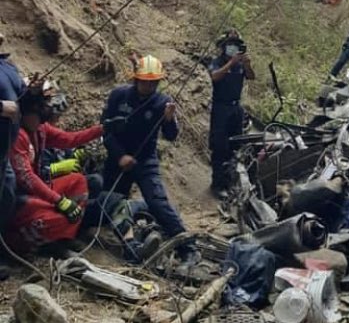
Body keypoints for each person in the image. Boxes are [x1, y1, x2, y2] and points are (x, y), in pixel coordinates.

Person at [101, 54, 195, 260]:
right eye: (145, 82)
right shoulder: (119, 95)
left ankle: (188, 247)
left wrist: (169, 120)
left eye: (153, 83)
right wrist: (120, 156)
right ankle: (131, 246)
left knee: (157, 201)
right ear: (136, 79)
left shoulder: (163, 102)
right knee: (111, 204)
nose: (149, 87)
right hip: (117, 160)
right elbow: (105, 131)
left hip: (145, 160)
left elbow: (171, 136)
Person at [6, 84, 102, 253]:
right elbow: (26, 177)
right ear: (26, 112)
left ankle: (62, 238)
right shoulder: (16, 134)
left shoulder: (40, 128)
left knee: (78, 181)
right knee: (55, 217)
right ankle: (19, 245)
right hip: (18, 197)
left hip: (34, 190)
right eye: (40, 110)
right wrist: (59, 201)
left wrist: (102, 130)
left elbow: (70, 139)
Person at [208, 30, 255, 196]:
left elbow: (251, 76)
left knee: (235, 146)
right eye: (230, 45)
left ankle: (230, 183)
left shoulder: (241, 64)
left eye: (236, 46)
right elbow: (214, 77)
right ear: (223, 47)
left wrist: (246, 64)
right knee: (220, 146)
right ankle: (217, 185)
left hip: (236, 108)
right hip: (221, 108)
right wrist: (230, 63)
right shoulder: (217, 62)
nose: (233, 49)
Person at [0, 36, 25, 274]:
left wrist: (34, 89)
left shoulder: (8, 67)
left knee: (6, 194)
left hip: (4, 150)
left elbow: (23, 98)